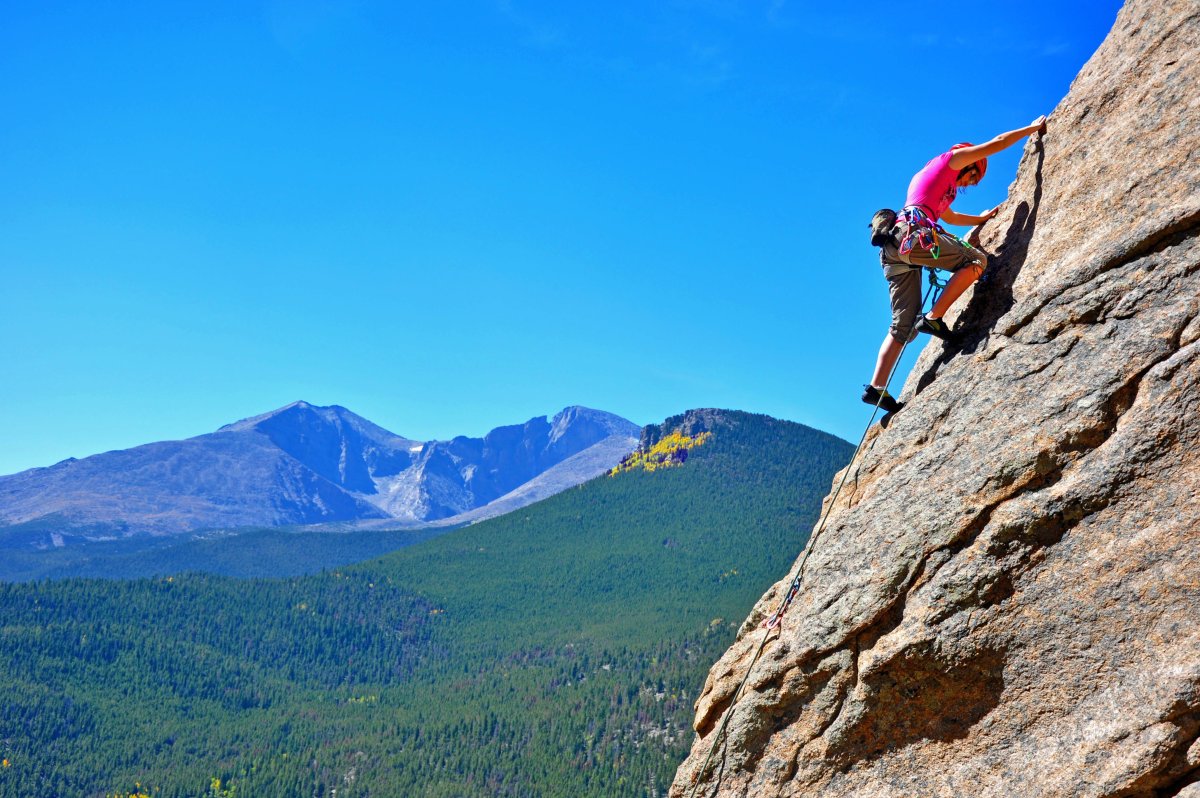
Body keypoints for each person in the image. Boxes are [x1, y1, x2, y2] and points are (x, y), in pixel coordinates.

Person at [863, 116, 1048, 415]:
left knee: (902, 325)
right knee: (977, 260)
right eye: (972, 179)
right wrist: (1032, 129)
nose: (968, 184)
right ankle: (934, 318)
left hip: (894, 248)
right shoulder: (951, 159)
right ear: (969, 164)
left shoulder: (933, 184)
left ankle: (876, 388)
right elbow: (996, 144)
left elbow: (951, 219)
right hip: (914, 237)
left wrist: (982, 219)